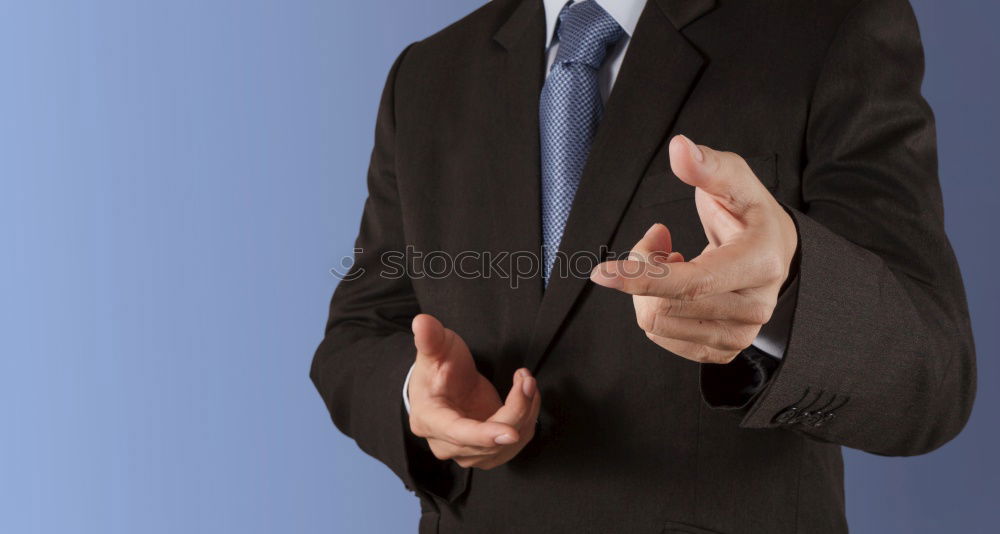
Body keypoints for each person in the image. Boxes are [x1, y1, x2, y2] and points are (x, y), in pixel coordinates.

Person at [310, 0, 976, 532]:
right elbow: (359, 332)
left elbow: (934, 375)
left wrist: (788, 301)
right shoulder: (426, 75)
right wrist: (416, 399)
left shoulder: (831, 22)